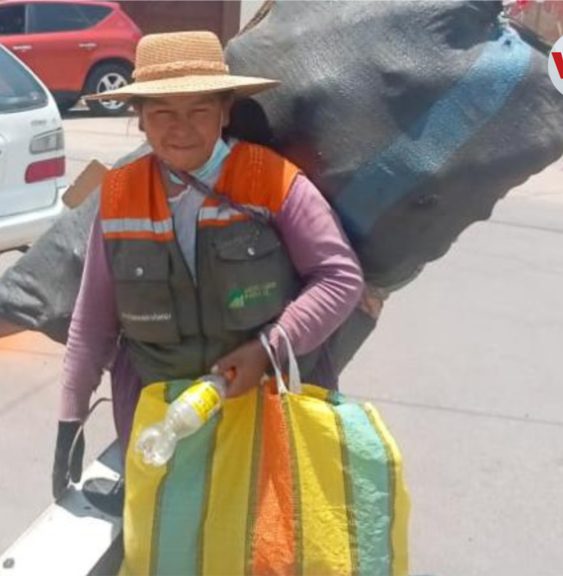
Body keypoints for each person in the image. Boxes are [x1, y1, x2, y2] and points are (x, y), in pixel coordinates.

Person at [52, 31, 364, 510]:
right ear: (139, 120)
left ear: (224, 111)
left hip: (262, 410)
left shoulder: (272, 181)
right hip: (159, 422)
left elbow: (340, 278)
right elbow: (93, 321)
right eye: (161, 112)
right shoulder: (118, 194)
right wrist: (69, 419)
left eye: (199, 110)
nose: (181, 128)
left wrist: (267, 347)